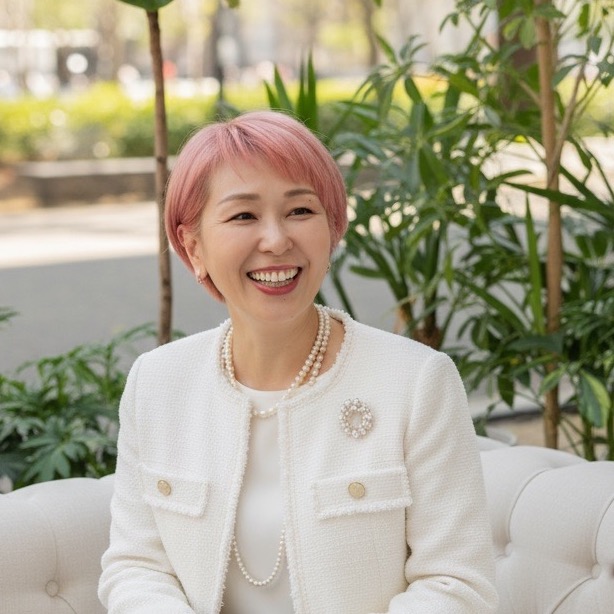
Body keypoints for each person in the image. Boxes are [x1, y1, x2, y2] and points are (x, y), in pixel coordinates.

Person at [98, 110, 498, 614]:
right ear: (193, 247)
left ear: (333, 231)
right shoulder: (157, 383)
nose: (276, 240)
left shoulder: (415, 381)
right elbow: (136, 566)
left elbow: (456, 583)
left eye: (301, 211)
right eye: (244, 216)